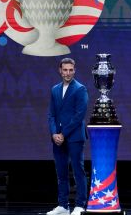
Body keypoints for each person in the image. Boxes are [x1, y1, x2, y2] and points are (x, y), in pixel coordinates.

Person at [47, 58, 89, 215]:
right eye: (65, 70)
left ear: (74, 70)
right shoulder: (55, 89)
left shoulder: (80, 89)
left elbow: (79, 116)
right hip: (57, 138)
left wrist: (63, 134)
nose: (68, 73)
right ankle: (63, 205)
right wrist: (54, 134)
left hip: (74, 137)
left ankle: (80, 205)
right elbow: (51, 114)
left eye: (71, 70)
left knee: (78, 170)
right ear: (60, 70)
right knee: (61, 172)